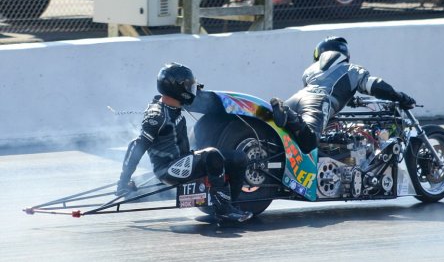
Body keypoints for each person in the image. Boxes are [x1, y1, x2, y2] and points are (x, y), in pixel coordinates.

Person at [116, 62, 253, 223]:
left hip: (183, 158)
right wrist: (123, 181)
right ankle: (223, 210)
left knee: (238, 157)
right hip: (168, 169)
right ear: (176, 89)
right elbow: (136, 145)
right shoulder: (156, 116)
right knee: (212, 154)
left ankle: (230, 205)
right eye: (188, 86)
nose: (191, 90)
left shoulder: (172, 103)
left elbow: (196, 99)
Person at [270, 36, 416, 154]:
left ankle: (284, 114)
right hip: (318, 102)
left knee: (286, 139)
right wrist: (400, 97)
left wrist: (350, 99)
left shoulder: (310, 70)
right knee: (309, 142)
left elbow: (329, 87)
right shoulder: (352, 69)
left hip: (296, 98)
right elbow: (375, 85)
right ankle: (288, 114)